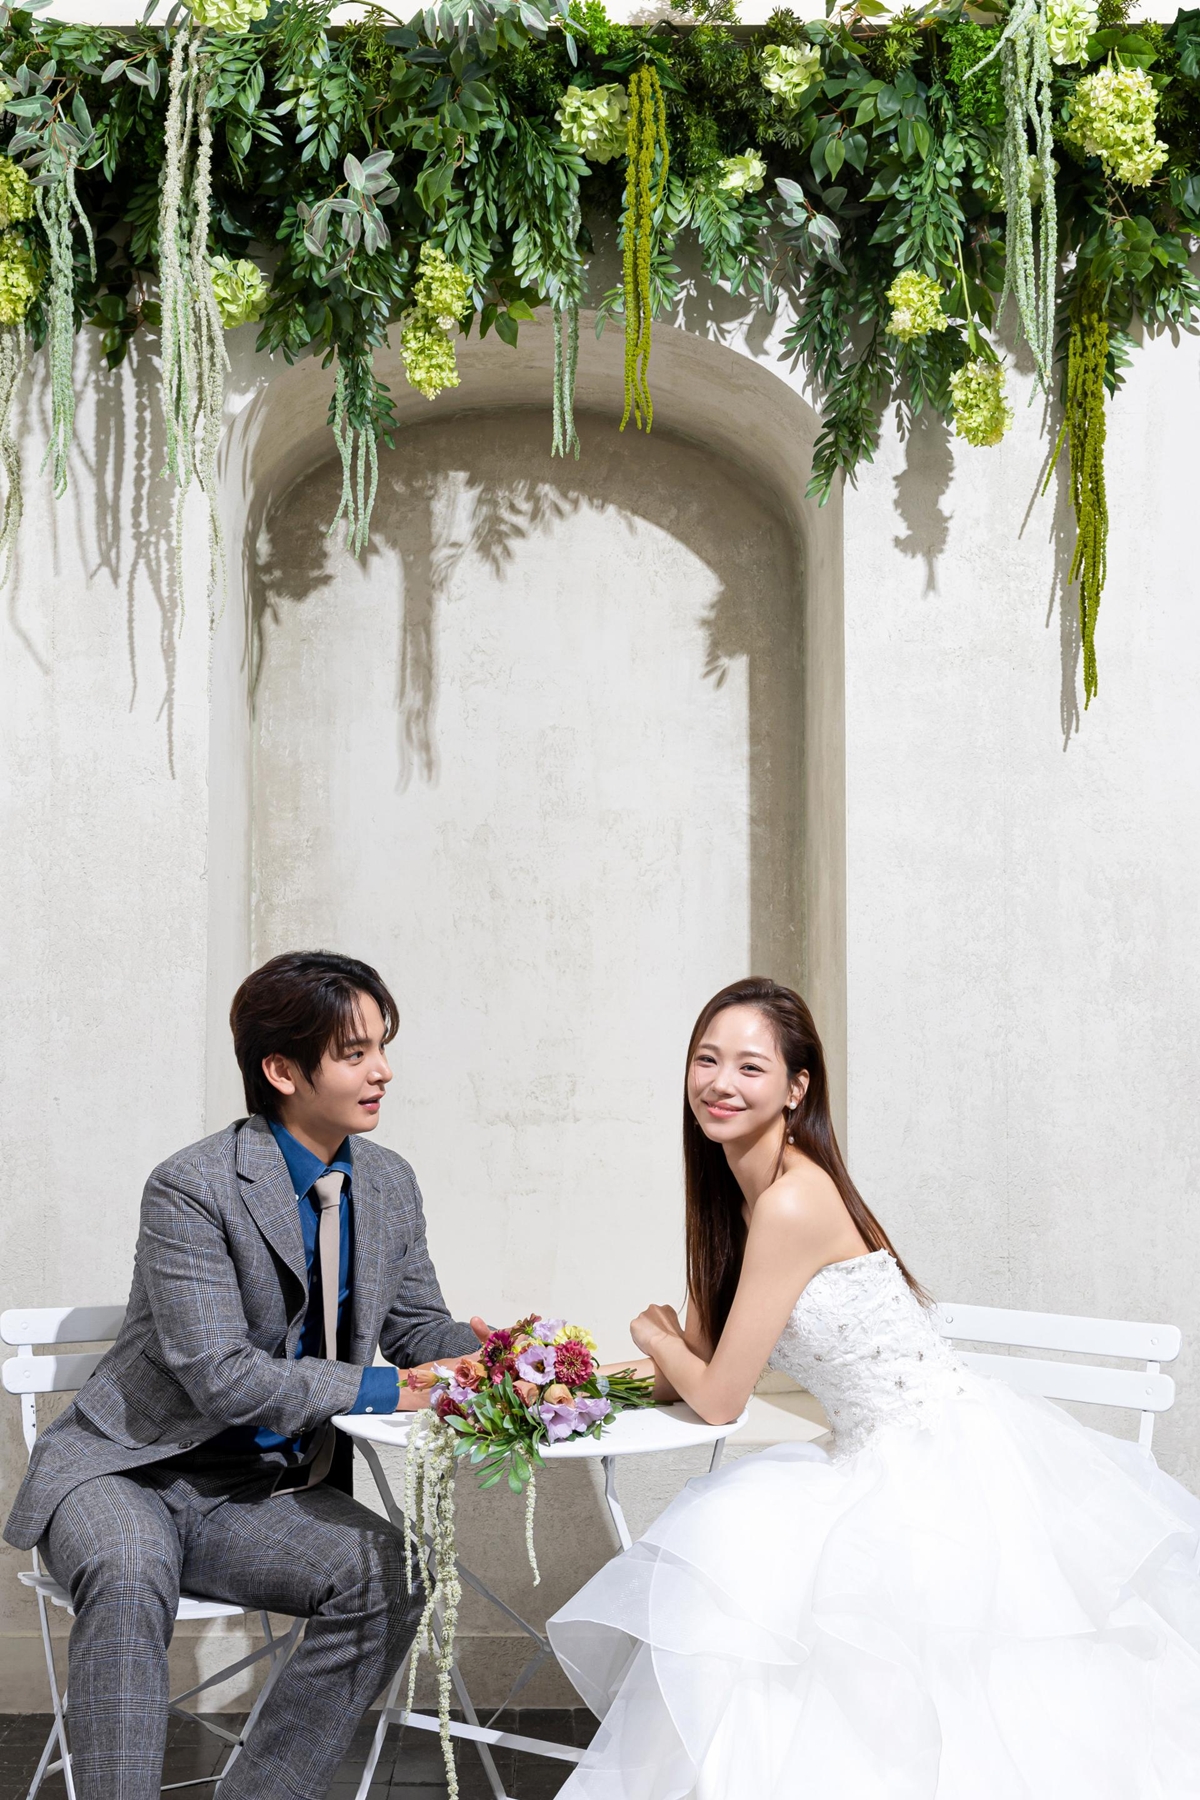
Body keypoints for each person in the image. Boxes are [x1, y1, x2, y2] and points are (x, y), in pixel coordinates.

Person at [548, 977, 1200, 1798]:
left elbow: (715, 1396)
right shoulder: (736, 1198)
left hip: (938, 1458)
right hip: (868, 1452)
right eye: (706, 1060)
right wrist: (560, 1380)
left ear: (797, 1088)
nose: (720, 1083)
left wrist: (654, 1338)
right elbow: (703, 1361)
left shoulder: (792, 1200)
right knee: (758, 1594)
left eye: (750, 1066)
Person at [4, 950, 487, 1800]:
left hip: (255, 1495)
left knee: (394, 1575)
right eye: (355, 1053)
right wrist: (393, 1389)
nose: (383, 1071)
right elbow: (223, 1377)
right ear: (282, 1071)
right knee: (128, 1570)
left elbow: (416, 1329)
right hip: (127, 1473)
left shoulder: (387, 1184)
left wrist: (491, 1354)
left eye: (382, 1046)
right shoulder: (191, 1188)